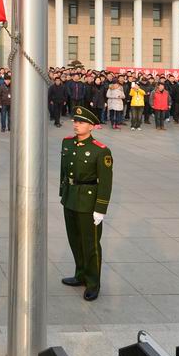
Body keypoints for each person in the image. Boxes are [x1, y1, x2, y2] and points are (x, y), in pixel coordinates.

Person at [59, 106, 113, 301]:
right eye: (75, 121)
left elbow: (105, 183)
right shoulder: (67, 143)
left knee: (90, 245)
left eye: (81, 122)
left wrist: (100, 209)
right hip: (70, 198)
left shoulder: (101, 150)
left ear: (91, 126)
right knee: (75, 241)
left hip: (88, 202)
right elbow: (64, 170)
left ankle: (93, 283)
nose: (76, 124)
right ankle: (80, 274)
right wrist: (63, 192)